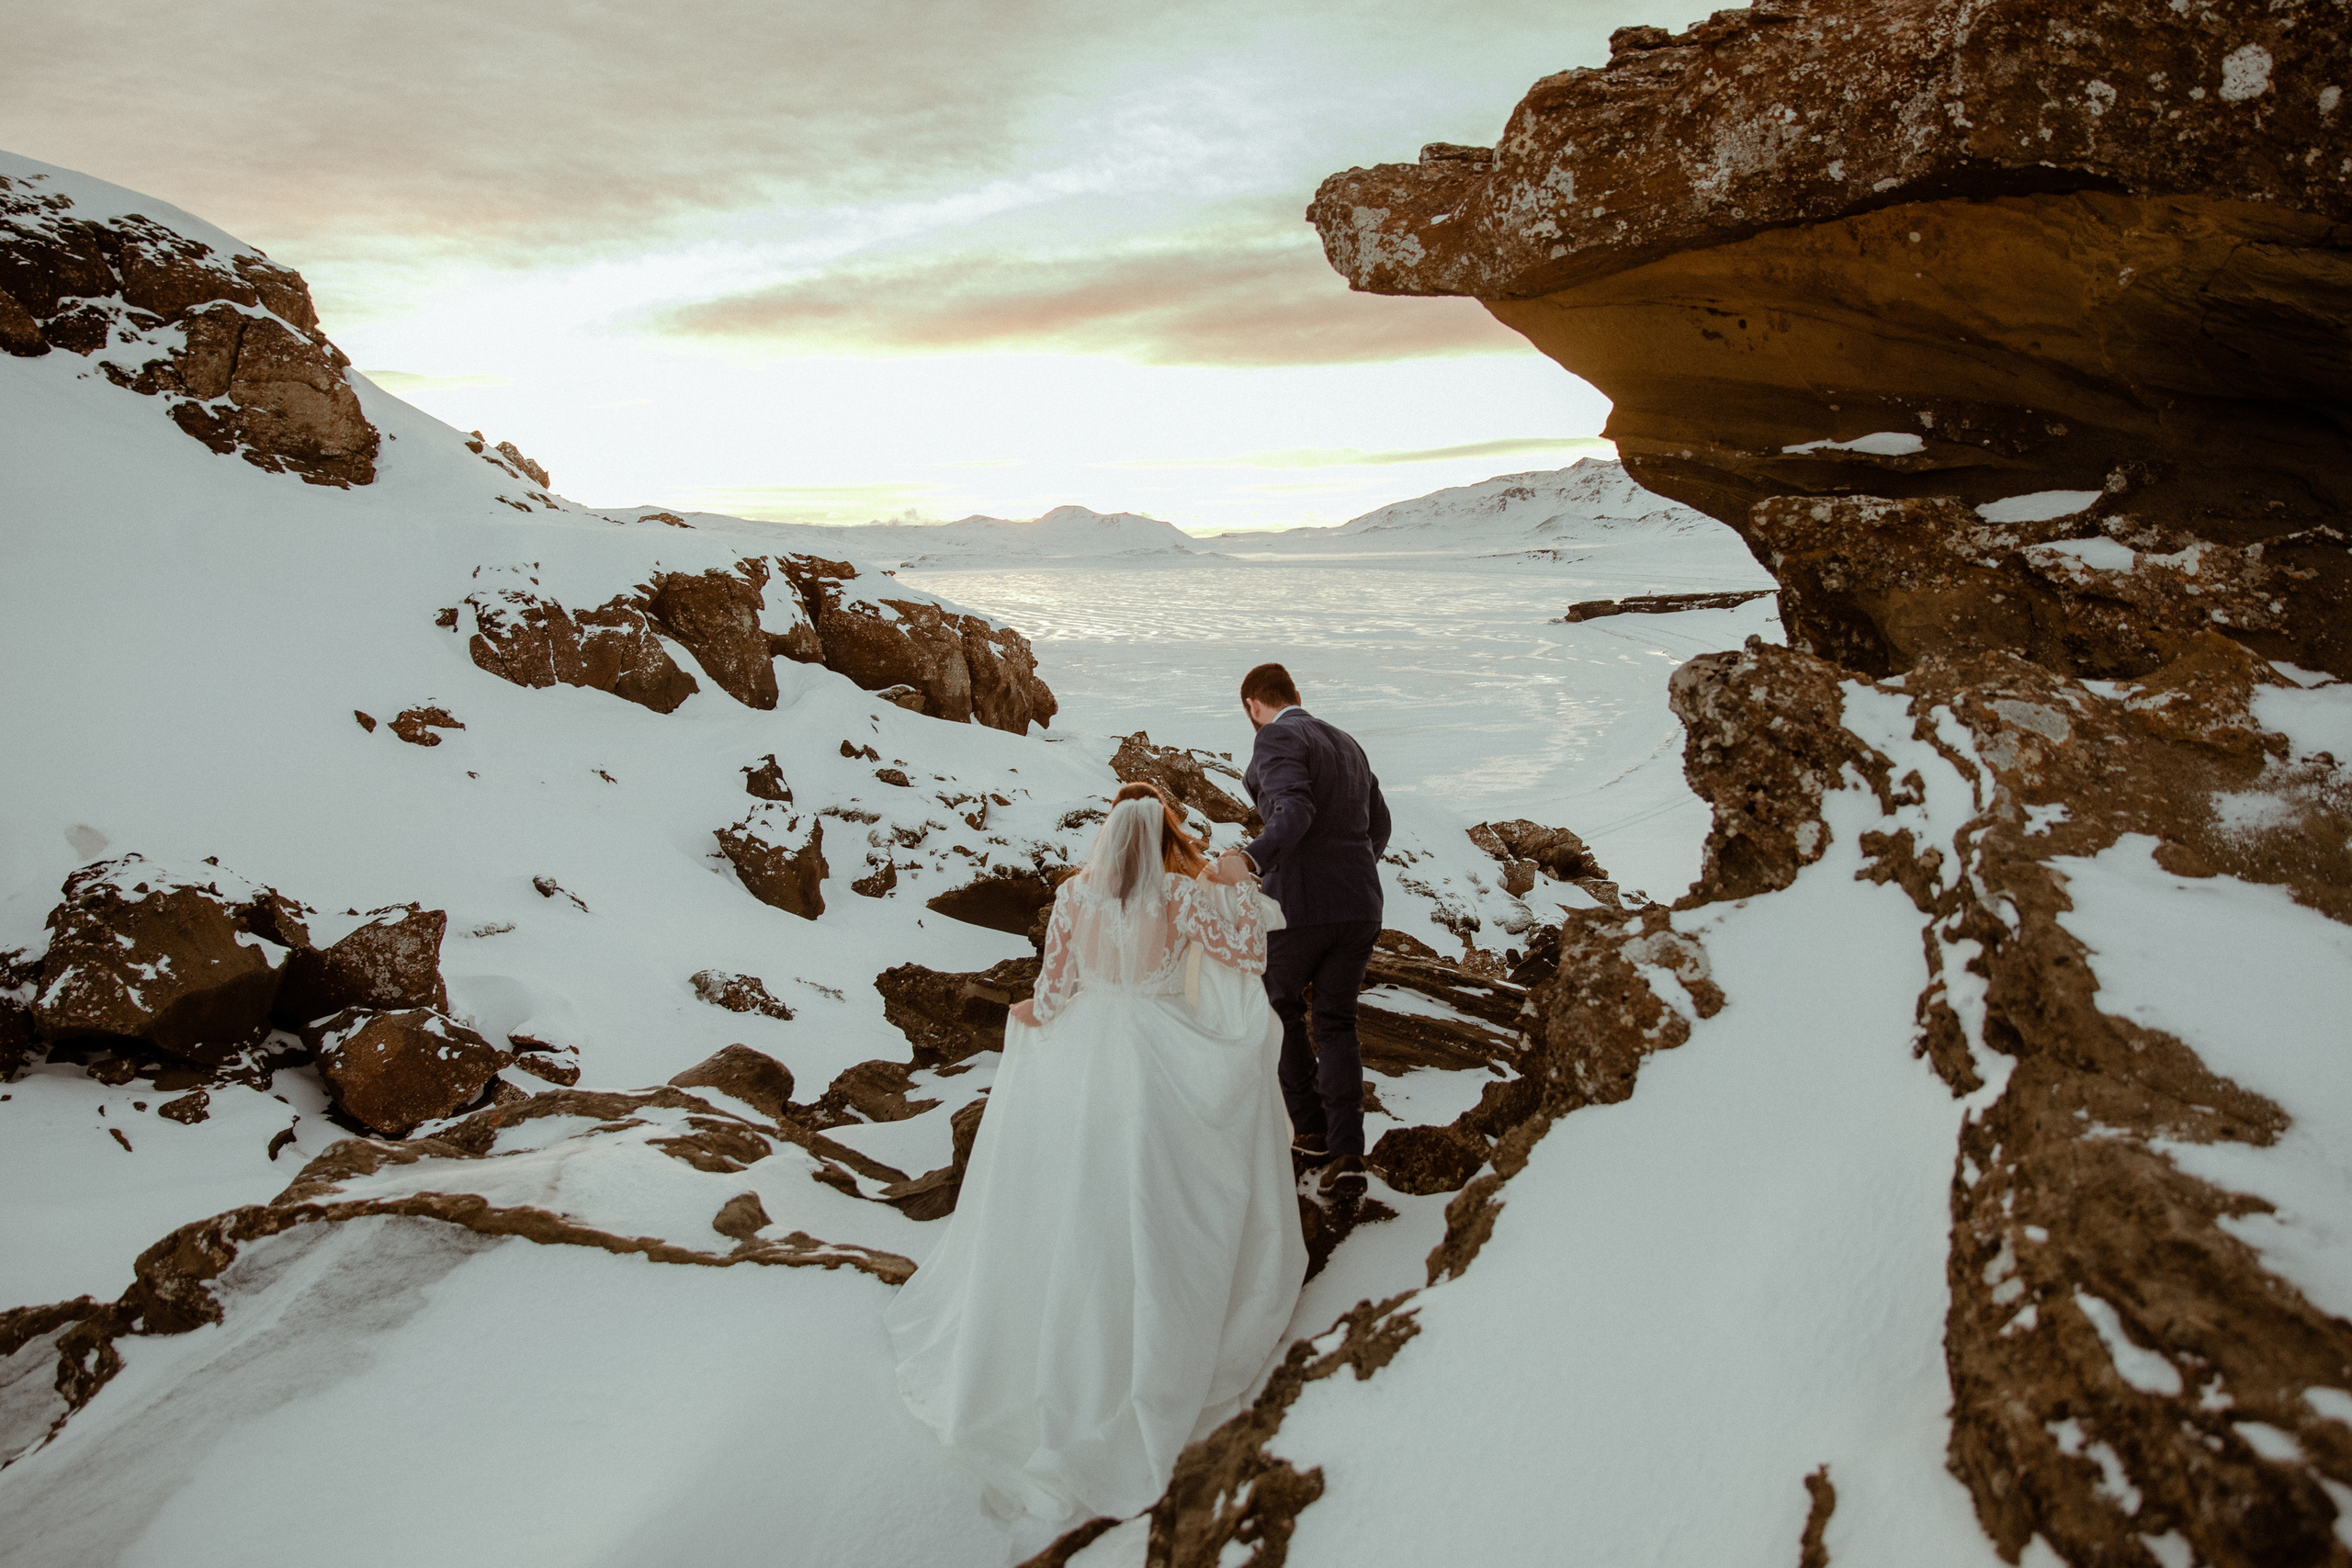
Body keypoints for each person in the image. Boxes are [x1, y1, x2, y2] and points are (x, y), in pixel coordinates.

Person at [884, 784, 1308, 1525]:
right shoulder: (1179, 894)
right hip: (1158, 1048)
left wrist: (1029, 1014)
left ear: (1111, 835)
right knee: (1152, 1189)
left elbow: (1054, 991)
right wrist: (1238, 883)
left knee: (1084, 1182)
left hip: (1090, 1046)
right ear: (1162, 833)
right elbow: (1247, 947)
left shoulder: (1076, 897)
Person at [1214, 662, 1390, 1197]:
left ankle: (1310, 1128)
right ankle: (1347, 1153)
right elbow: (1379, 825)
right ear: (1295, 693)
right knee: (1337, 1022)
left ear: (1252, 705)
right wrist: (1352, 870)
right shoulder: (1347, 743)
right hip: (1360, 905)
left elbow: (1295, 811)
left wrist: (1249, 858)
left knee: (1276, 1003)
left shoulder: (1275, 736)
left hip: (1302, 905)